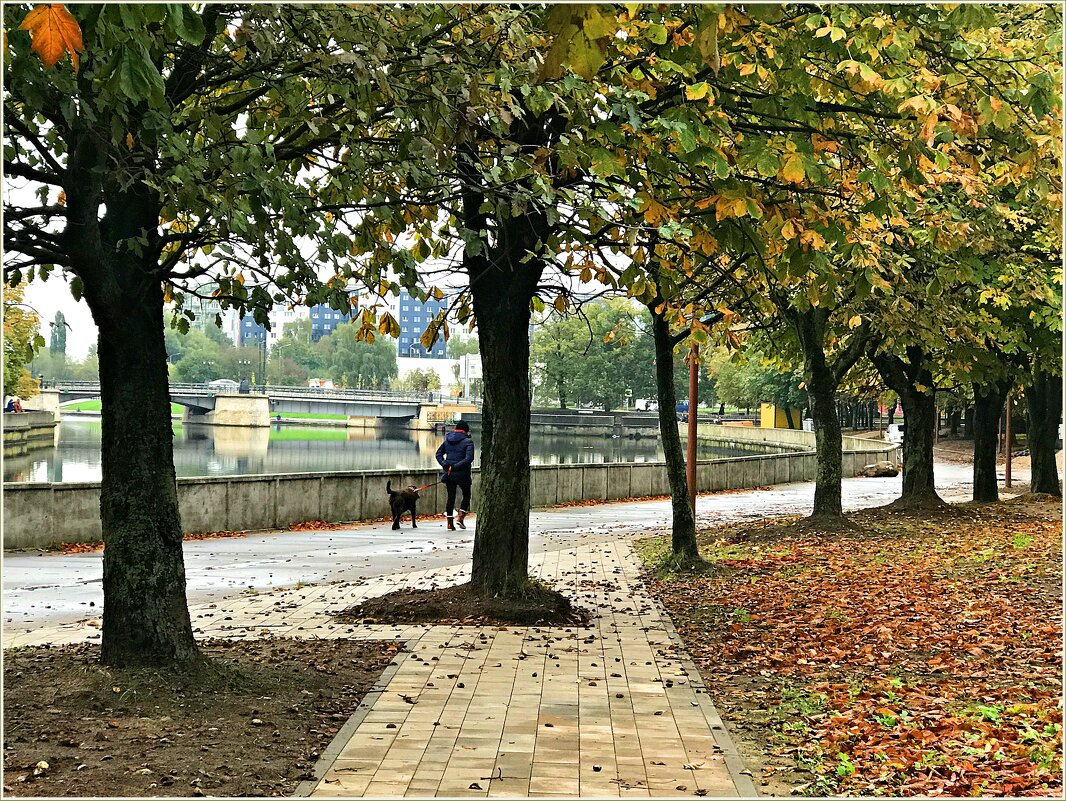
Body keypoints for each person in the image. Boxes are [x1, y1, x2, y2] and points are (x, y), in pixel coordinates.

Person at [435, 420, 474, 531]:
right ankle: (460, 517)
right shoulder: (468, 441)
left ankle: (449, 524)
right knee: (466, 495)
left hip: (449, 474)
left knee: (450, 497)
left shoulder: (447, 440)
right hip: (463, 474)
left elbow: (438, 454)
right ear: (466, 431)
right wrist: (456, 466)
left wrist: (445, 465)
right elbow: (469, 459)